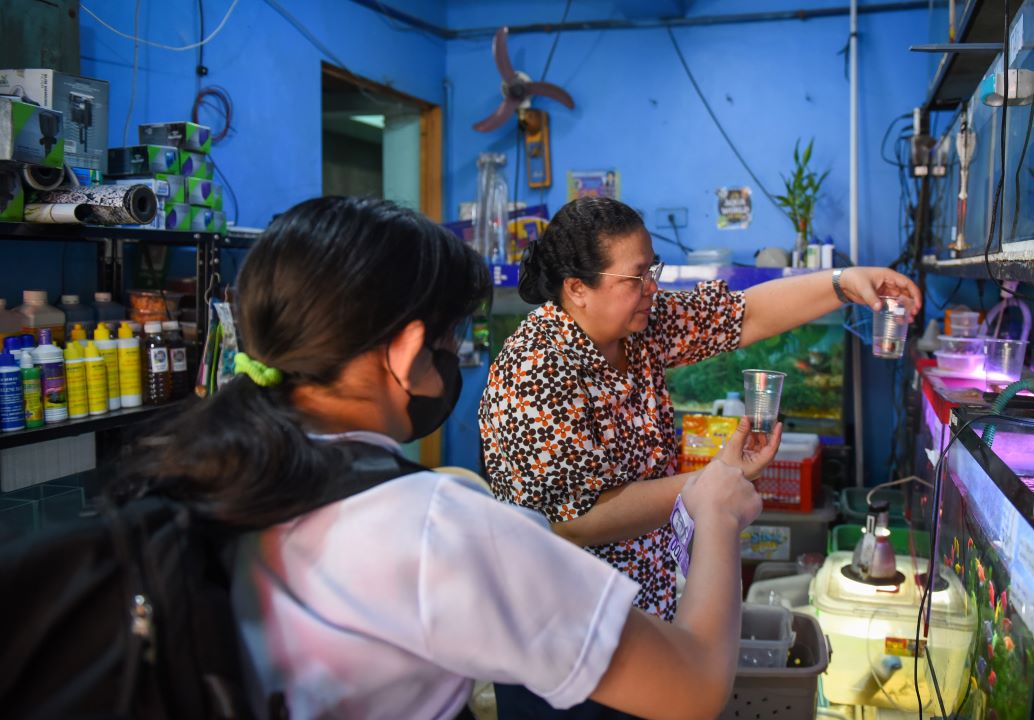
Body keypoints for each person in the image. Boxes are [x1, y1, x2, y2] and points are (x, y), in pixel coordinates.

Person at [114, 197, 780, 720]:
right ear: (409, 354)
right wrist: (712, 507)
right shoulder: (441, 531)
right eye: (451, 340)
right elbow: (692, 685)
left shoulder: (195, 479)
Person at [479, 196, 921, 717]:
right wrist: (714, 483)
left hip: (644, 611)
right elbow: (576, 521)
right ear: (577, 289)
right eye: (636, 276)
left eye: (654, 270)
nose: (653, 289)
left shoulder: (639, 329)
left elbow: (743, 314)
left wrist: (845, 283)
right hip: (561, 630)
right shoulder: (537, 371)